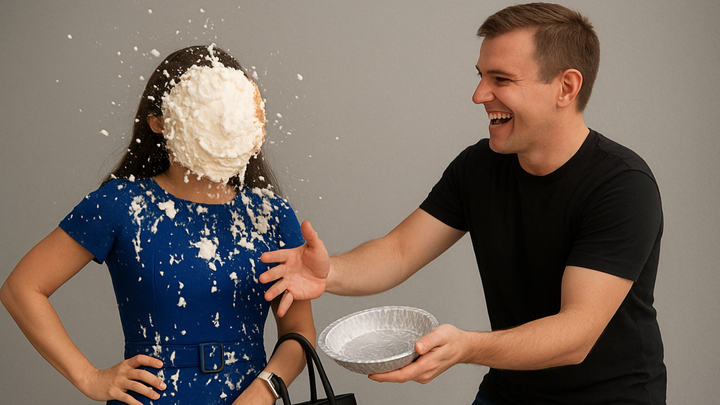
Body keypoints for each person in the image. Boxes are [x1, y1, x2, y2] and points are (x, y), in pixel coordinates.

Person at [259, 3, 666, 405]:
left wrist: (467, 347)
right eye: (481, 76)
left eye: (501, 79)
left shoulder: (622, 186)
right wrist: (329, 273)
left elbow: (575, 335)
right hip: (509, 391)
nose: (478, 95)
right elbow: (399, 251)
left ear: (566, 87)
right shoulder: (479, 166)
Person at [0, 45, 315, 405]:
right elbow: (21, 288)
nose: (219, 122)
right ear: (159, 121)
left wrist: (265, 390)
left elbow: (299, 331)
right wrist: (89, 377)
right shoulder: (121, 204)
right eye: (201, 110)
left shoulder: (270, 214)